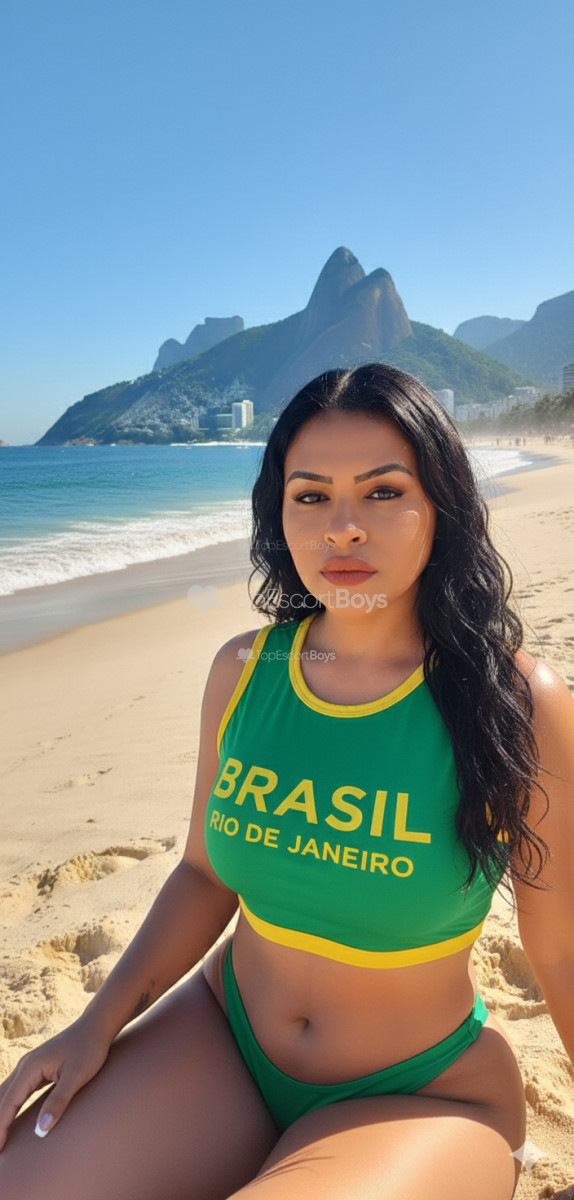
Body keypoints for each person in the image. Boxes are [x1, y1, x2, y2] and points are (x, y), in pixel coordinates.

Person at [0, 362, 573, 1200]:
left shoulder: (515, 700)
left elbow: (559, 946)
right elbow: (204, 875)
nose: (343, 528)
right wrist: (96, 1023)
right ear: (280, 512)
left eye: (382, 492)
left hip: (421, 1092)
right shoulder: (244, 672)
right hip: (224, 1038)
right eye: (311, 496)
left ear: (440, 505)